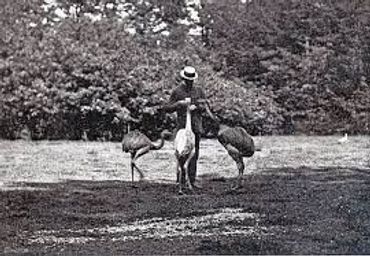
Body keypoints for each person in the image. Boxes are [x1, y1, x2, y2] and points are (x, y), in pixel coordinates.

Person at [164, 66, 207, 187]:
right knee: (181, 152)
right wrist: (179, 104)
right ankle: (181, 179)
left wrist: (197, 107)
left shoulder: (199, 91)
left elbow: (205, 106)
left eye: (191, 79)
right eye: (188, 79)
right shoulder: (177, 91)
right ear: (184, 78)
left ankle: (192, 180)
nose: (190, 81)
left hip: (195, 126)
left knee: (194, 153)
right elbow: (167, 108)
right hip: (182, 127)